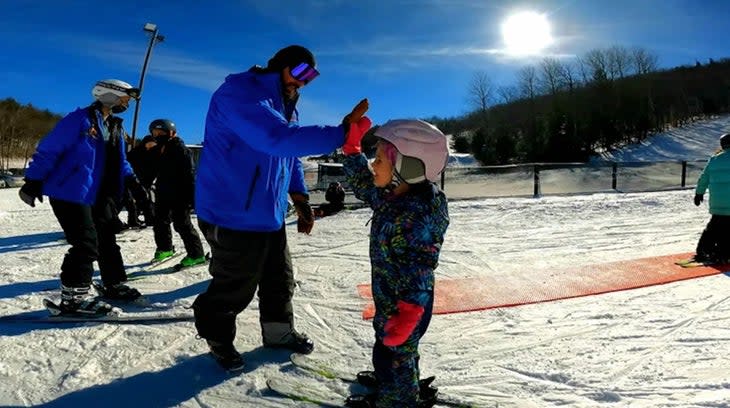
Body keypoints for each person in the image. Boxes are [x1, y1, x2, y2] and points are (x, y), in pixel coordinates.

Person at [191, 44, 370, 371]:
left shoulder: (286, 105)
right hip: (231, 211)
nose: (303, 83)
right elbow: (277, 139)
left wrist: (300, 198)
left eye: (311, 77)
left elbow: (289, 157)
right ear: (280, 66)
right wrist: (342, 132)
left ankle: (278, 333)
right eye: (301, 73)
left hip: (268, 214)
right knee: (235, 286)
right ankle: (217, 337)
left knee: (279, 280)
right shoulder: (242, 93)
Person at [341, 119, 450, 408]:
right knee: (394, 351)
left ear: (408, 167)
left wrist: (410, 310)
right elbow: (366, 187)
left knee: (395, 354)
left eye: (378, 159)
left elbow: (421, 268)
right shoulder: (394, 195)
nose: (373, 165)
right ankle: (400, 382)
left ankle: (398, 399)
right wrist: (352, 151)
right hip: (391, 296)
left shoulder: (419, 213)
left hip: (407, 304)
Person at [18, 79, 147, 315]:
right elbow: (49, 150)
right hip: (71, 190)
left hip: (101, 193)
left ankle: (112, 283)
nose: (127, 103)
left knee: (107, 238)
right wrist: (33, 180)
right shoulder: (79, 120)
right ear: (109, 94)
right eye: (125, 97)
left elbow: (121, 161)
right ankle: (73, 298)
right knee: (86, 243)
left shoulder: (116, 126)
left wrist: (134, 183)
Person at [147, 119, 207, 268]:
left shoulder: (180, 149)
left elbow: (189, 173)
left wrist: (192, 198)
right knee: (160, 221)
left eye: (161, 133)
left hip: (180, 194)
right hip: (163, 192)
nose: (157, 135)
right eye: (155, 133)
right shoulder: (160, 149)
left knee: (182, 224)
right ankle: (165, 248)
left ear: (171, 133)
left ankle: (196, 254)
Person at [692, 133, 730, 263]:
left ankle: (704, 250)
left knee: (714, 227)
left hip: (717, 203)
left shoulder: (714, 160)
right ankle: (723, 253)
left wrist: (699, 193)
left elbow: (704, 178)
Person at [124, 134, 158, 228]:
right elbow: (128, 163)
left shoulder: (154, 154)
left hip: (146, 180)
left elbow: (154, 169)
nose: (150, 147)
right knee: (133, 201)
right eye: (149, 144)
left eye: (153, 145)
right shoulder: (136, 152)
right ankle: (134, 219)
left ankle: (147, 219)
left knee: (145, 201)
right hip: (133, 179)